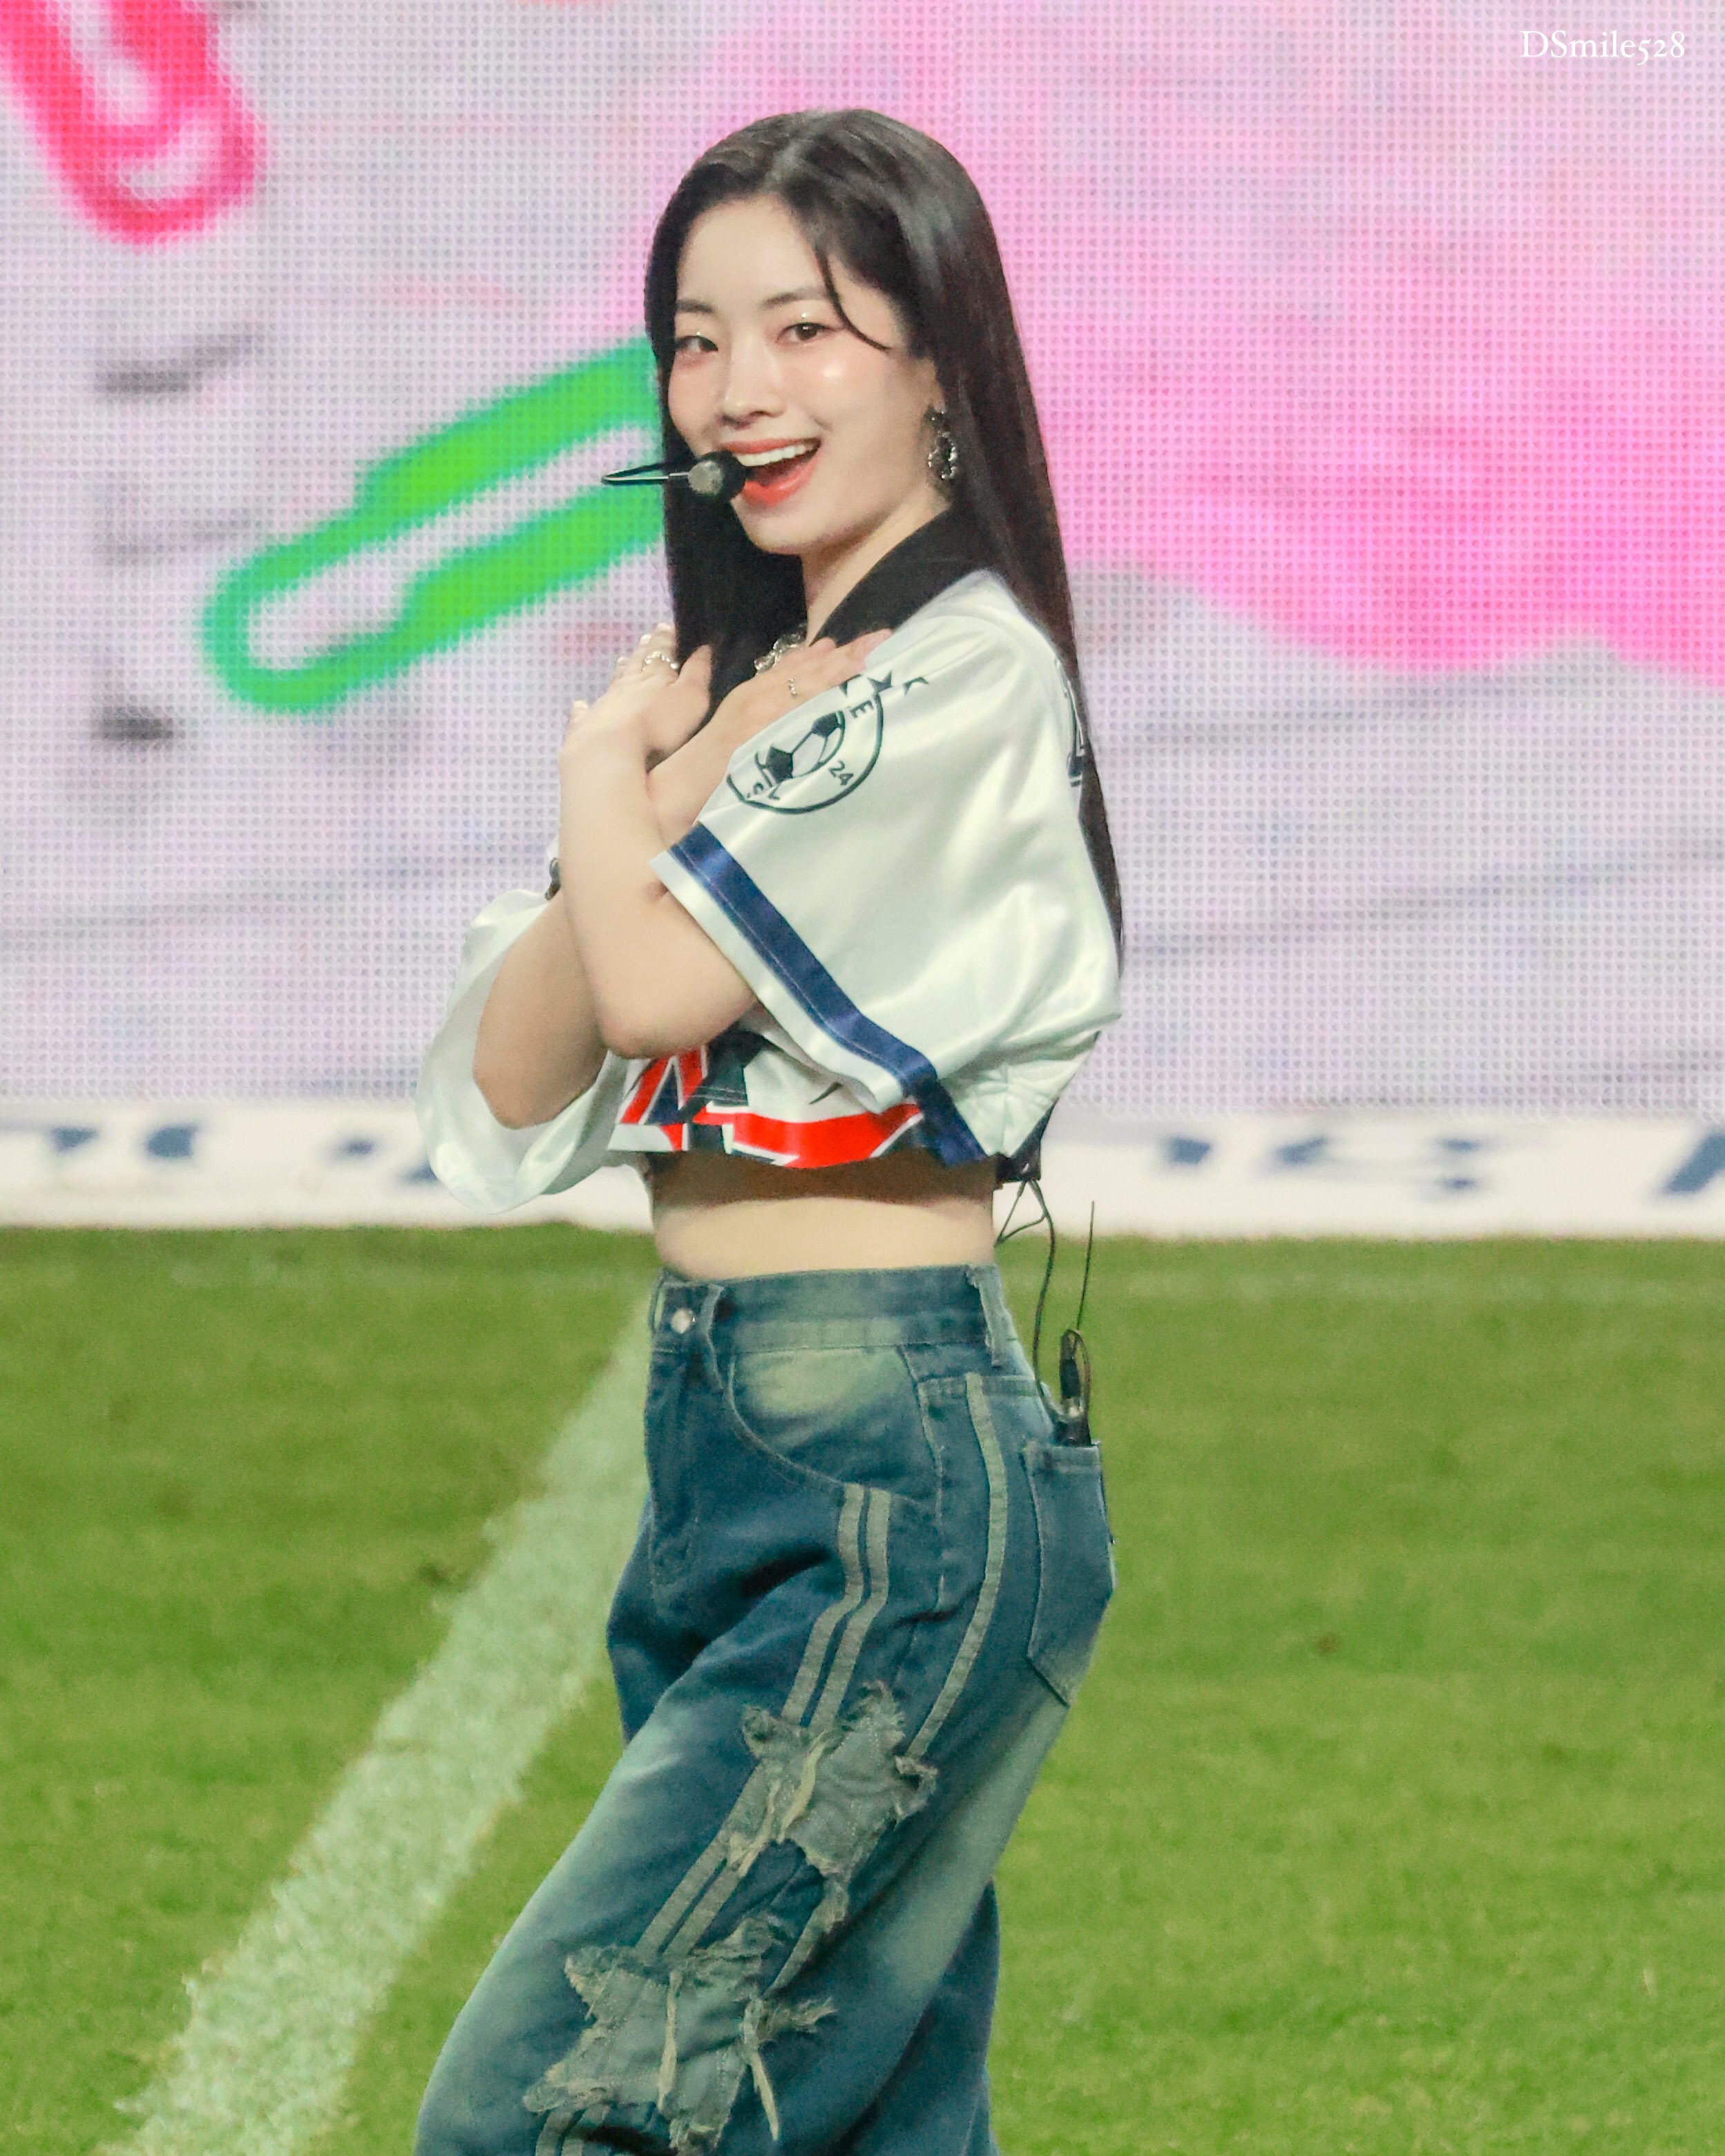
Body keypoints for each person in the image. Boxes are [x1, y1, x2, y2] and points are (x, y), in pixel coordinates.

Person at [413, 108, 1125, 2156]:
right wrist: (657, 771)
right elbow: (514, 1075)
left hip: (889, 1465)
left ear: (938, 363)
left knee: (550, 2111)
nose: (736, 389)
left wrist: (610, 780)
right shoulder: (766, 688)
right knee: (866, 2122)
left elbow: (644, 992)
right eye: (695, 339)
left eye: (805, 329)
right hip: (738, 1440)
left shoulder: (954, 677)